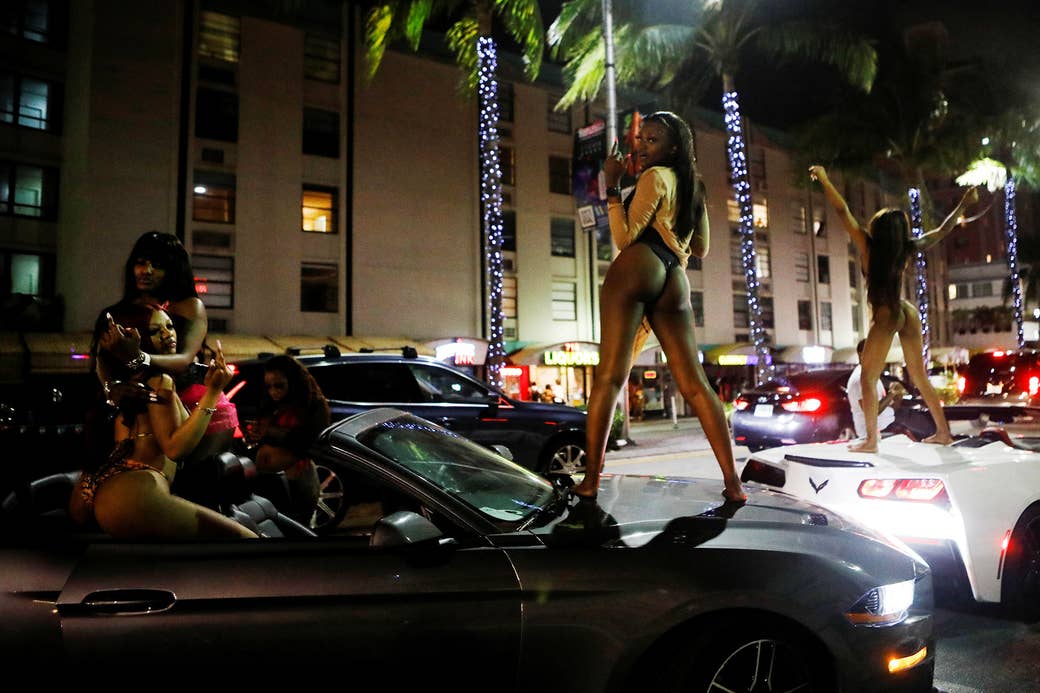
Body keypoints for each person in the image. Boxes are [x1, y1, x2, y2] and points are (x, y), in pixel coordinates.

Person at [572, 111, 745, 502]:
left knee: (609, 378)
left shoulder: (652, 178)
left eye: (652, 140)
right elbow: (701, 248)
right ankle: (733, 484)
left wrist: (614, 187)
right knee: (697, 386)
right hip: (675, 278)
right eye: (641, 139)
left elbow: (625, 237)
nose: (642, 146)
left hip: (639, 265)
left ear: (673, 147)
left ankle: (590, 481)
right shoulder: (694, 186)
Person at [810, 165, 979, 452]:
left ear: (877, 229)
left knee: (867, 377)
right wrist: (963, 203)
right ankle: (943, 433)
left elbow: (843, 211)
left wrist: (825, 179)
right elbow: (942, 230)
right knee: (919, 375)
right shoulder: (907, 248)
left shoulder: (868, 246)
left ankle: (872, 441)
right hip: (905, 311)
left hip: (886, 314)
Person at [69, 303, 256, 539]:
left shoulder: (117, 383)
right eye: (156, 331)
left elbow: (101, 361)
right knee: (249, 541)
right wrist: (213, 391)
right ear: (136, 338)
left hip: (91, 486)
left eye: (170, 326)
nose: (168, 335)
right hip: (133, 491)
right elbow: (176, 448)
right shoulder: (159, 380)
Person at [247, 355, 330, 525]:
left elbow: (308, 441)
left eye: (279, 385)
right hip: (266, 481)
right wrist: (255, 435)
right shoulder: (270, 403)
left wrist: (269, 431)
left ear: (293, 381)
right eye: (269, 386)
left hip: (297, 481)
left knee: (295, 528)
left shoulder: (312, 405)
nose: (273, 391)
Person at [846, 338, 906, 439]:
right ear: (861, 355)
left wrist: (897, 395)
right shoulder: (860, 378)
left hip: (888, 424)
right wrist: (892, 393)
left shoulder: (871, 375)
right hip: (875, 431)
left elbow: (886, 407)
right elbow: (870, 411)